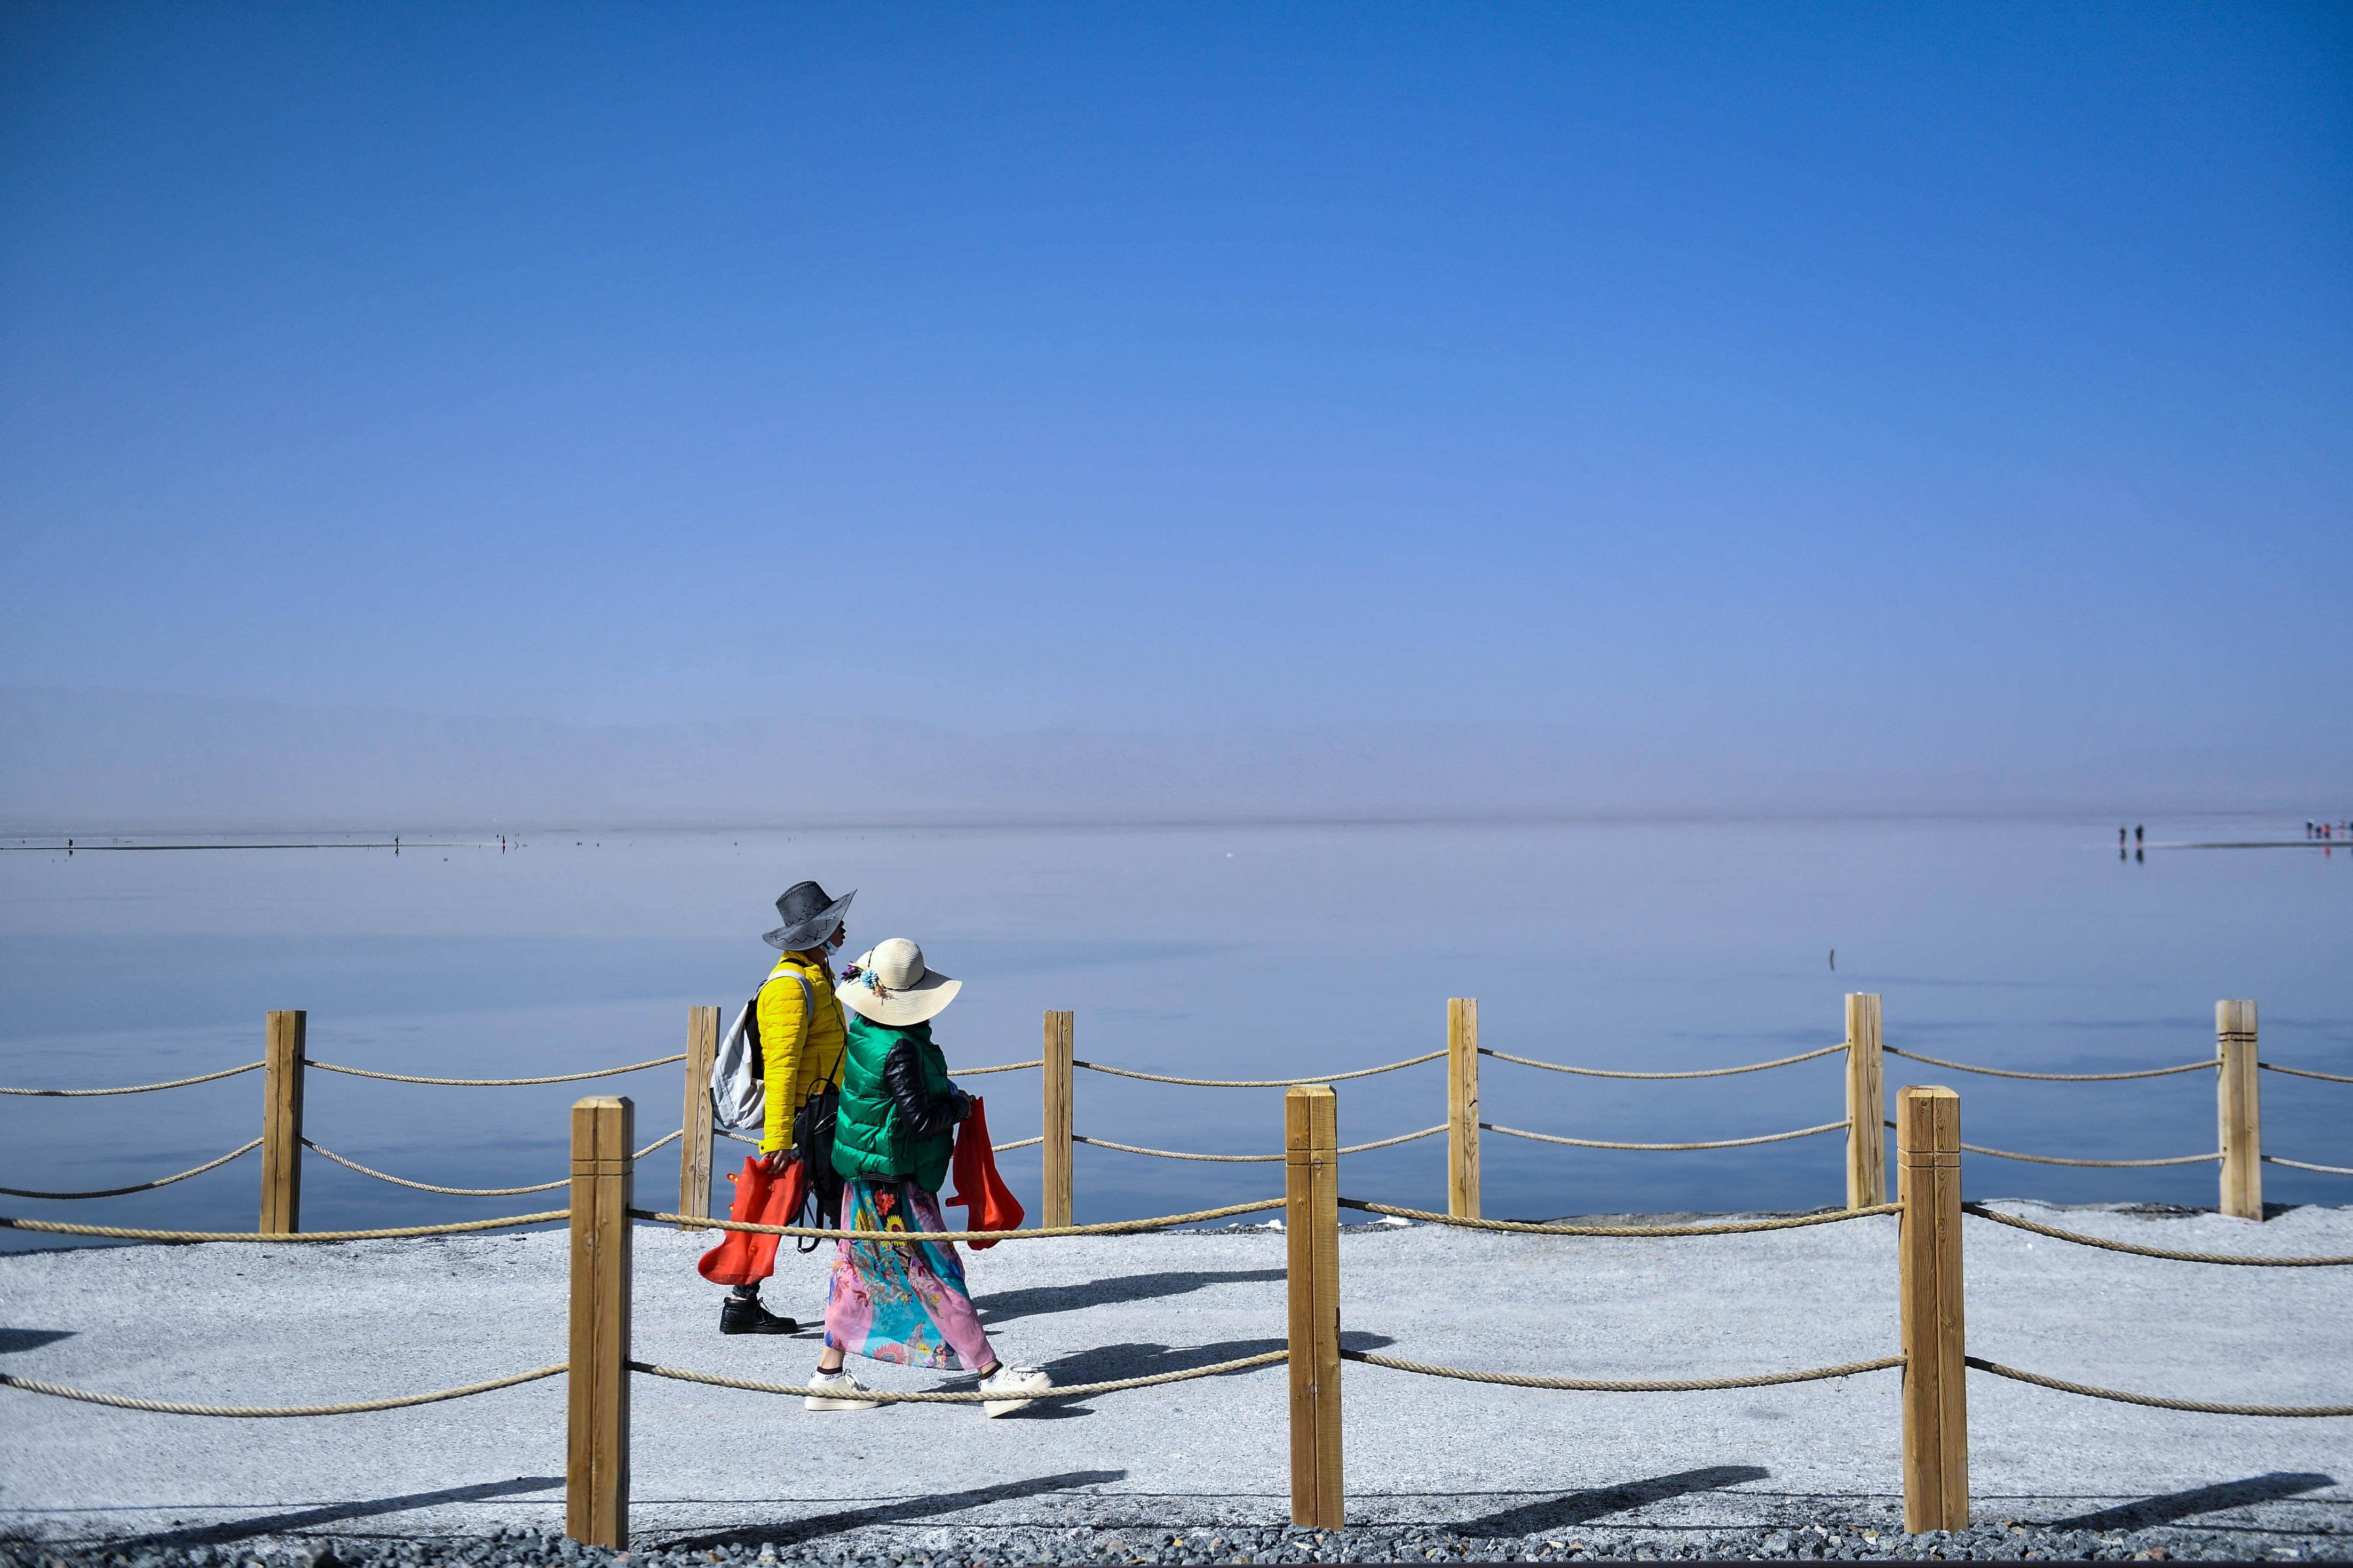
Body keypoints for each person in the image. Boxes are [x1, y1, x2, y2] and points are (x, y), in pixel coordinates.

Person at [804, 936, 1053, 1418]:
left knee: (853, 1271)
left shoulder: (864, 1029)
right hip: (896, 1184)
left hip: (863, 1177)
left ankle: (827, 1377)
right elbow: (919, 1119)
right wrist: (958, 1105)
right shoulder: (900, 1048)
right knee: (937, 1272)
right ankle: (991, 1375)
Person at [719, 879, 857, 1336]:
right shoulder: (789, 989)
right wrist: (778, 1140)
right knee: (782, 1208)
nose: (843, 928)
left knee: (831, 1207)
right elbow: (780, 1069)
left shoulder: (818, 977)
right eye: (836, 922)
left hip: (825, 1113)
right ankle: (742, 1304)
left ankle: (860, 1297)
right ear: (817, 932)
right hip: (804, 1120)